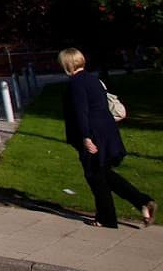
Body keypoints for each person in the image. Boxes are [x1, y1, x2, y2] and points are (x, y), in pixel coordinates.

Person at [59, 47, 157, 228]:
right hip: (107, 132)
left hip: (93, 134)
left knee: (95, 176)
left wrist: (86, 138)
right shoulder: (93, 80)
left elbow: (81, 112)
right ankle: (142, 202)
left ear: (66, 64)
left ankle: (107, 218)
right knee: (103, 174)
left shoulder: (76, 84)